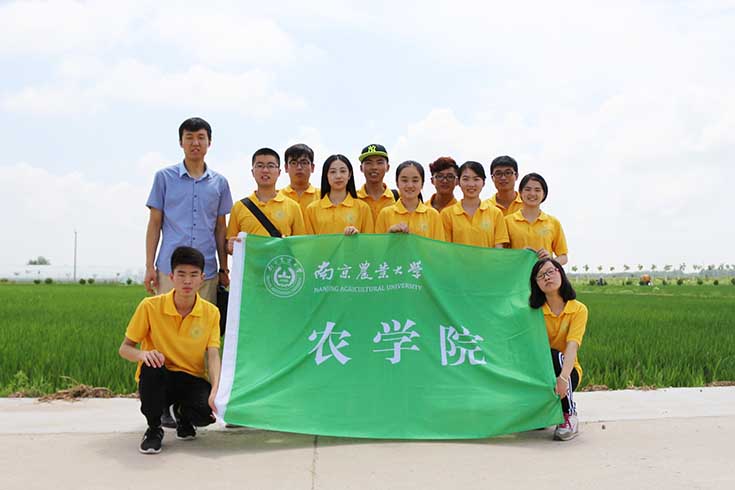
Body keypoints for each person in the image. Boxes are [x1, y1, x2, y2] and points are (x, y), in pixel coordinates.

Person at [119, 246, 221, 454]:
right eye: (181, 274)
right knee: (151, 367)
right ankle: (154, 428)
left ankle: (182, 414)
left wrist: (215, 390)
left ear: (202, 279)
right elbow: (125, 348)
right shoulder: (150, 306)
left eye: (193, 275)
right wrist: (143, 354)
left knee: (206, 414)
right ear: (171, 277)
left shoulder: (211, 313)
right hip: (160, 375)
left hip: (191, 377)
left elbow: (213, 355)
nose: (187, 281)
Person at [144, 117, 233, 304]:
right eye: (189, 137)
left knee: (204, 321)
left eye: (201, 137)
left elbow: (220, 229)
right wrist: (149, 266)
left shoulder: (220, 183)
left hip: (206, 271)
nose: (195, 143)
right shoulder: (164, 178)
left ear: (209, 142)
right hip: (169, 270)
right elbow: (154, 224)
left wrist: (224, 269)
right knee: (166, 320)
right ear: (180, 142)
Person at [529, 258, 588, 441]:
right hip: (539, 373)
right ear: (536, 284)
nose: (547, 277)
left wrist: (562, 378)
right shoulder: (533, 312)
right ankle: (545, 411)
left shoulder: (578, 310)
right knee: (546, 355)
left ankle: (569, 415)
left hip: (567, 372)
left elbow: (572, 345)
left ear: (560, 273)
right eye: (540, 276)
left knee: (554, 355)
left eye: (550, 271)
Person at [226, 148, 305, 253]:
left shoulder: (293, 206)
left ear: (279, 172)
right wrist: (230, 246)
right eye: (260, 166)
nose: (265, 170)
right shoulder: (239, 207)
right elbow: (229, 244)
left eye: (270, 166)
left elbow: (301, 246)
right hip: (251, 264)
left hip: (279, 263)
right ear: (252, 172)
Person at [440, 161, 509, 247]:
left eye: (476, 179)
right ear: (458, 182)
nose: (471, 184)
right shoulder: (447, 214)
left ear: (483, 183)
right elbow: (445, 248)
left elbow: (499, 248)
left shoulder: (495, 213)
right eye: (466, 179)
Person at [505, 172, 568, 265]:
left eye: (537, 190)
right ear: (520, 192)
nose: (532, 193)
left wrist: (550, 261)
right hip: (517, 272)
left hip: (544, 273)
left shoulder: (553, 222)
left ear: (544, 194)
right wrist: (519, 255)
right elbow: (501, 254)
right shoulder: (507, 221)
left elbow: (563, 257)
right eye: (528, 189)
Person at [304, 154, 374, 235]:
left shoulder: (363, 208)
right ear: (326, 175)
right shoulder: (311, 209)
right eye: (333, 172)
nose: (338, 176)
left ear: (349, 175)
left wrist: (357, 237)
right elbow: (308, 241)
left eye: (343, 171)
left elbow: (369, 240)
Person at [375, 161, 445, 240]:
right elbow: (378, 245)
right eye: (404, 180)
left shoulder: (433, 215)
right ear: (397, 183)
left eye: (415, 180)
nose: (410, 185)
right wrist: (389, 234)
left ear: (422, 184)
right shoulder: (385, 214)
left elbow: (438, 246)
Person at [356, 143, 396, 221]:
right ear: (361, 168)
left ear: (387, 167)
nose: (374, 167)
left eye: (379, 162)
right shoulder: (353, 198)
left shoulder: (399, 198)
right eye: (369, 163)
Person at [279, 143, 320, 215]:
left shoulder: (323, 196)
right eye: (293, 163)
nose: (299, 167)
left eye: (304, 163)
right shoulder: (278, 197)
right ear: (286, 167)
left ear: (312, 167)